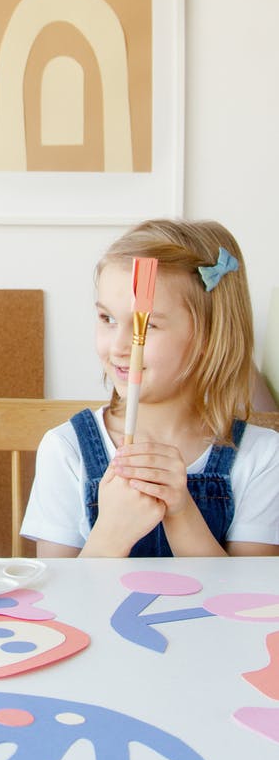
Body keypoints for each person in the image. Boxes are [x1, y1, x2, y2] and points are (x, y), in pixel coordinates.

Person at [21, 218, 279, 558]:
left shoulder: (260, 457)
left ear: (210, 335)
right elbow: (60, 589)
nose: (120, 346)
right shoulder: (66, 450)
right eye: (107, 319)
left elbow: (251, 590)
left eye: (148, 326)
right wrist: (111, 534)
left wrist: (181, 513)